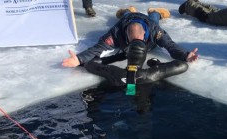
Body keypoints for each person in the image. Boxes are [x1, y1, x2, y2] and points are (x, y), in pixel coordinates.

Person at [62, 7, 199, 88]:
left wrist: (185, 55)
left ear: (145, 35)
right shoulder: (116, 34)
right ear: (126, 36)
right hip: (127, 21)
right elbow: (97, 48)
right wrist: (79, 59)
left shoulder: (155, 32)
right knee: (126, 15)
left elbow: (170, 46)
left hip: (148, 22)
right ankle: (128, 11)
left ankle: (155, 11)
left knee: (154, 17)